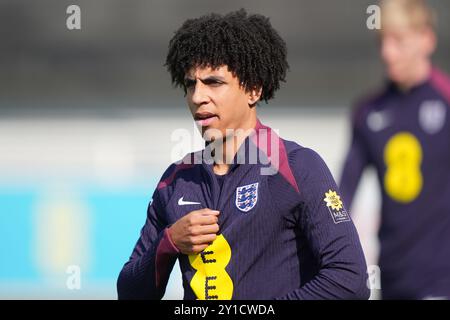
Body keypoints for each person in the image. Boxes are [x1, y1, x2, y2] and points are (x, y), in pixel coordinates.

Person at [118, 9, 369, 300]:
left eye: (213, 82)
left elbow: (350, 280)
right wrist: (169, 242)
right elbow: (129, 294)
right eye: (190, 84)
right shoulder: (175, 181)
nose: (198, 96)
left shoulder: (297, 167)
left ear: (253, 90)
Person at [340, 0, 450, 299]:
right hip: (392, 277)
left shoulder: (446, 101)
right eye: (382, 41)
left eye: (398, 40)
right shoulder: (368, 112)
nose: (387, 52)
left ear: (427, 39)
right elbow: (343, 192)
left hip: (442, 279)